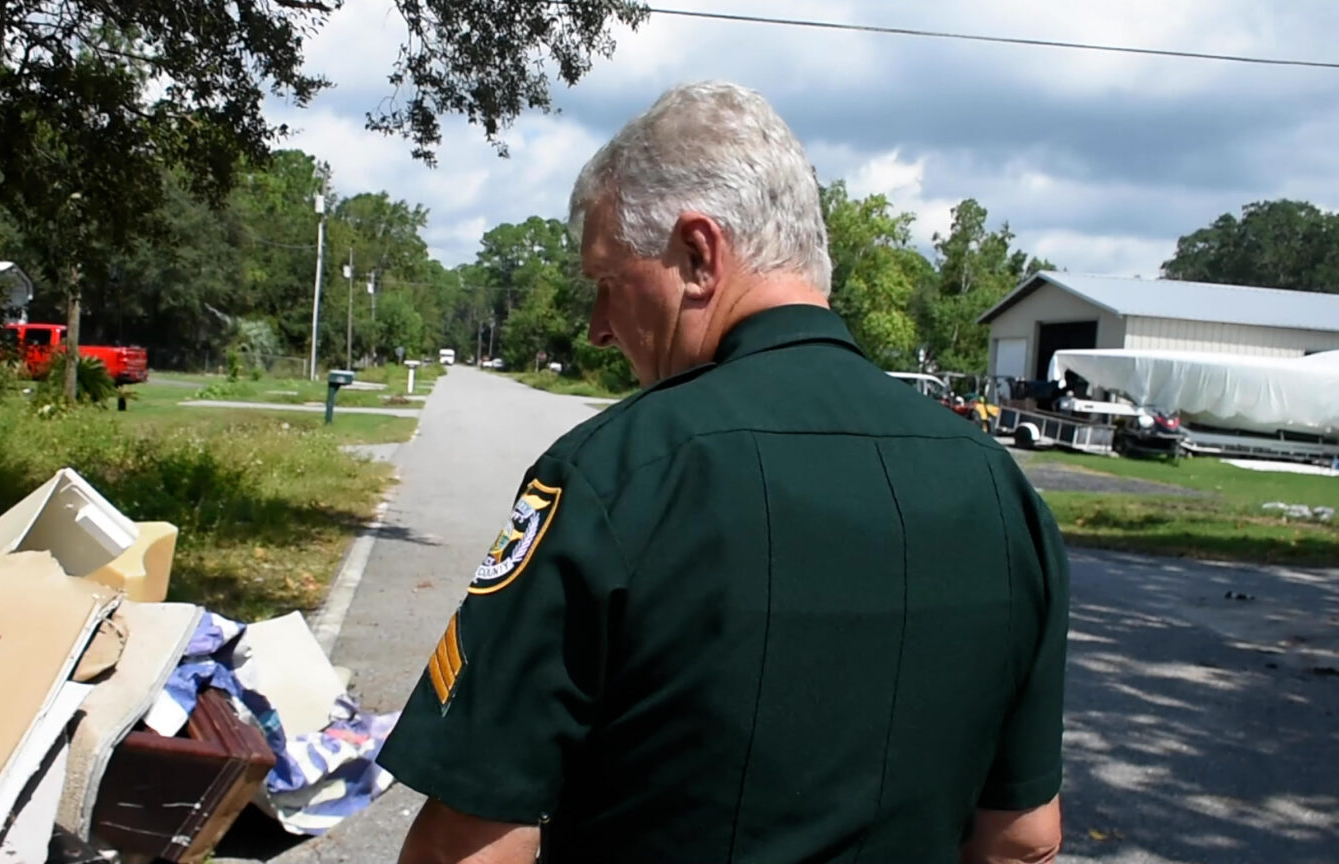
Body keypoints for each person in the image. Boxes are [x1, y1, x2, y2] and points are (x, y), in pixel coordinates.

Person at [376, 81, 1068, 864]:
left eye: (607, 282)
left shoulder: (617, 476)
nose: (598, 329)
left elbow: (466, 848)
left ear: (699, 255)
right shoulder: (1002, 492)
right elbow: (1024, 838)